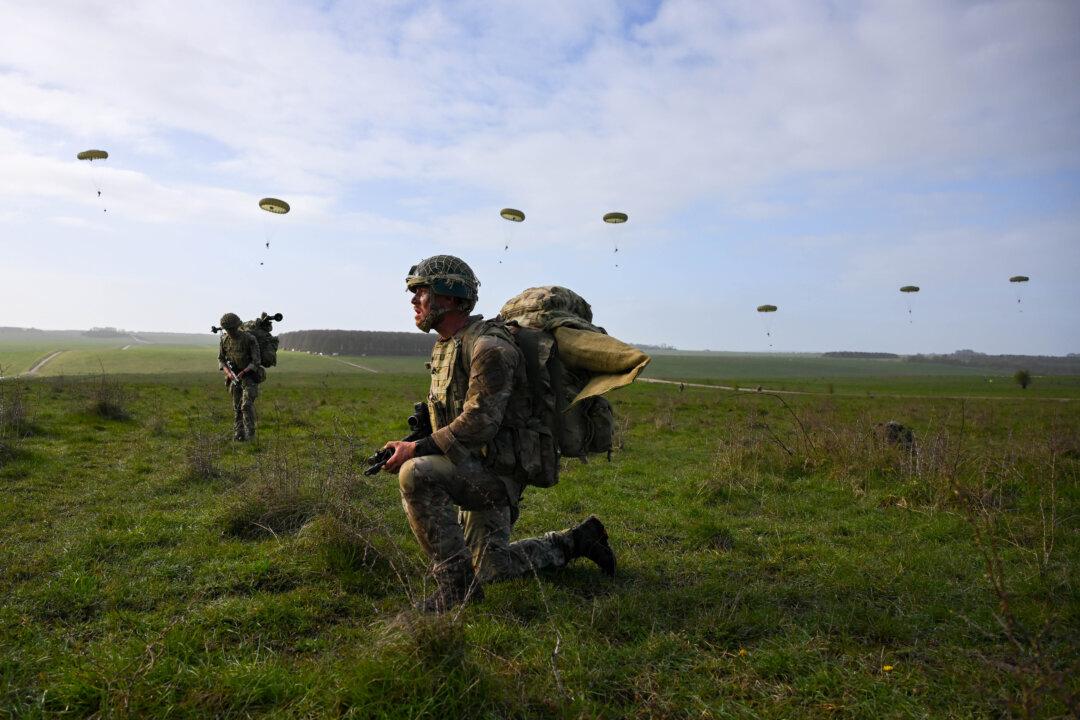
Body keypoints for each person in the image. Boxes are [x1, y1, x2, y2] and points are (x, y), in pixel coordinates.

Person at [380, 255, 615, 613]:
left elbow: (479, 423)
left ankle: (456, 589)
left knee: (417, 474)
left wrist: (415, 450)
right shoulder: (447, 346)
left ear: (450, 297)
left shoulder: (490, 347)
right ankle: (579, 541)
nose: (413, 300)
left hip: (497, 474)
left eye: (422, 291)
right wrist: (417, 436)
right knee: (492, 567)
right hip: (473, 464)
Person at [217, 312, 261, 441]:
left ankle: (250, 435)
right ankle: (239, 434)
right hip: (234, 378)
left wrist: (245, 371)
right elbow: (221, 359)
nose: (230, 331)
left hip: (250, 377)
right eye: (227, 329)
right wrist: (229, 373)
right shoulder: (224, 340)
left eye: (232, 328)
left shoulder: (249, 339)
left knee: (246, 405)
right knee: (237, 407)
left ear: (237, 326)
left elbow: (256, 361)